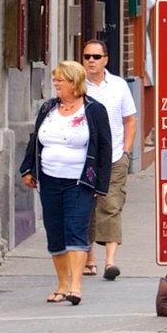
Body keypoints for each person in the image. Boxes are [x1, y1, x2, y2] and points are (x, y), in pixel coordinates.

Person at [19, 59, 113, 303]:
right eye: (55, 79)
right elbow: (35, 139)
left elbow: (104, 148)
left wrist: (100, 185)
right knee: (55, 231)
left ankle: (75, 286)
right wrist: (27, 168)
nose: (55, 83)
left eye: (60, 79)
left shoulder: (94, 110)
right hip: (49, 179)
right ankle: (61, 285)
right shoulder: (48, 108)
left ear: (73, 82)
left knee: (76, 228)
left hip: (80, 181)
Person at [78, 39, 140, 281]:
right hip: (84, 158)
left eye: (95, 56)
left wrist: (125, 151)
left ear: (106, 60)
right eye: (87, 56)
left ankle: (110, 262)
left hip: (114, 157)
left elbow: (130, 120)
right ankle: (90, 258)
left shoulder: (118, 86)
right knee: (87, 208)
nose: (91, 61)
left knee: (111, 206)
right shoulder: (77, 86)